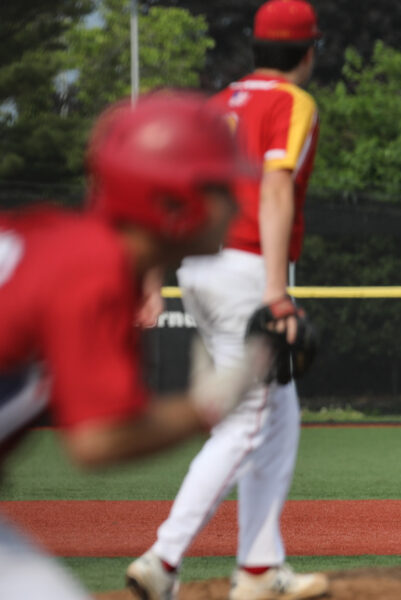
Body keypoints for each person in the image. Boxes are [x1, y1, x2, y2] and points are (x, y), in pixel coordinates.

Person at [0, 92, 263, 600]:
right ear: (172, 201)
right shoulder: (95, 271)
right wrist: (210, 404)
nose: (234, 201)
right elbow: (99, 441)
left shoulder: (61, 240)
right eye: (219, 186)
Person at [126, 1, 327, 598]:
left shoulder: (217, 106)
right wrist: (275, 291)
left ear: (256, 46)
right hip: (247, 271)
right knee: (246, 419)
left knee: (279, 416)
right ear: (308, 51)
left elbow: (175, 193)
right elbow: (274, 185)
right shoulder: (292, 103)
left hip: (199, 266)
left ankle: (260, 567)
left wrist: (153, 276)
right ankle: (163, 559)